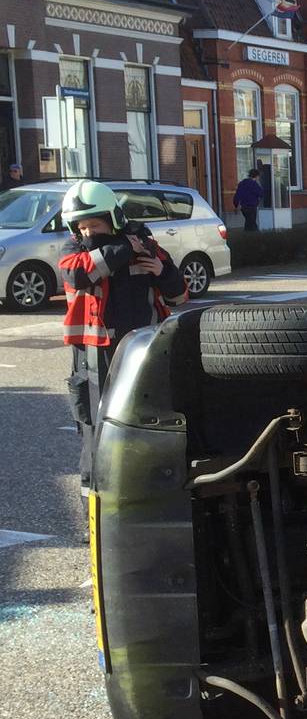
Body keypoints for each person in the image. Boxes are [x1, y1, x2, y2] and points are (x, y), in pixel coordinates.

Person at [58, 180, 187, 526]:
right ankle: (97, 520)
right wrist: (123, 249)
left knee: (143, 427)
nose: (87, 232)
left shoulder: (147, 247)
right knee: (94, 434)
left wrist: (162, 272)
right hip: (91, 358)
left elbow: (178, 297)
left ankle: (148, 504)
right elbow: (77, 273)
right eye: (81, 227)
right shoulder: (76, 251)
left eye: (94, 225)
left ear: (112, 219)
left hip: (140, 354)